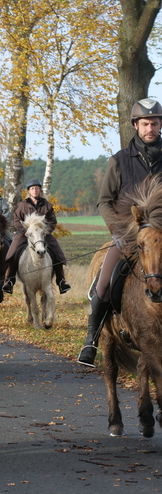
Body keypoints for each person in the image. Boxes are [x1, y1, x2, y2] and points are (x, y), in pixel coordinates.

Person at [77, 98, 162, 367]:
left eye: (156, 123)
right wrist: (118, 229)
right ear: (136, 125)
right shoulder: (119, 161)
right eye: (146, 123)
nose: (151, 128)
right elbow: (104, 200)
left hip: (160, 236)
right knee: (105, 282)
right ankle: (91, 340)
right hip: (128, 235)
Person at [1, 179, 71, 296]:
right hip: (26, 234)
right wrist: (24, 231)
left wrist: (46, 232)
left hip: (43, 235)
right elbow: (16, 220)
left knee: (57, 253)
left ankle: (61, 281)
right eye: (32, 188)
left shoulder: (47, 205)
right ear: (29, 191)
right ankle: (9, 281)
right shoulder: (22, 205)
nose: (35, 190)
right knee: (12, 253)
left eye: (37, 188)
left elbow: (53, 221)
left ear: (40, 190)